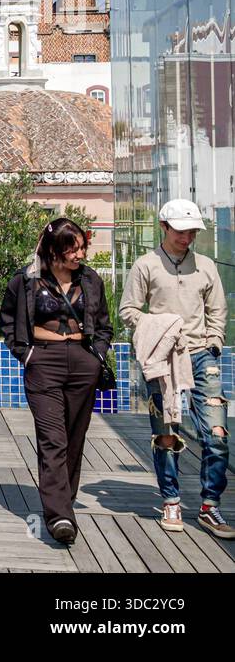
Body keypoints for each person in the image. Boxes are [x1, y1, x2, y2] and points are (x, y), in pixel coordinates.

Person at [119, 199, 231, 539]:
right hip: (163, 358)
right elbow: (128, 310)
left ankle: (210, 505)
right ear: (164, 227)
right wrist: (159, 327)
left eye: (193, 231)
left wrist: (214, 341)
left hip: (201, 355)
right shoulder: (145, 265)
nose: (188, 237)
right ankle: (170, 500)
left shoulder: (207, 266)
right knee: (166, 432)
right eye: (182, 231)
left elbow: (218, 310)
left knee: (217, 434)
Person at [0, 218, 112, 545]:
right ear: (54, 250)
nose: (79, 254)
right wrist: (27, 355)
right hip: (43, 362)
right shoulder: (26, 280)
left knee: (75, 438)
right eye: (72, 248)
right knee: (53, 438)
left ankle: (63, 499)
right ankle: (59, 516)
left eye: (82, 247)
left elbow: (104, 325)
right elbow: (8, 322)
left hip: (82, 362)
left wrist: (97, 357)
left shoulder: (91, 280)